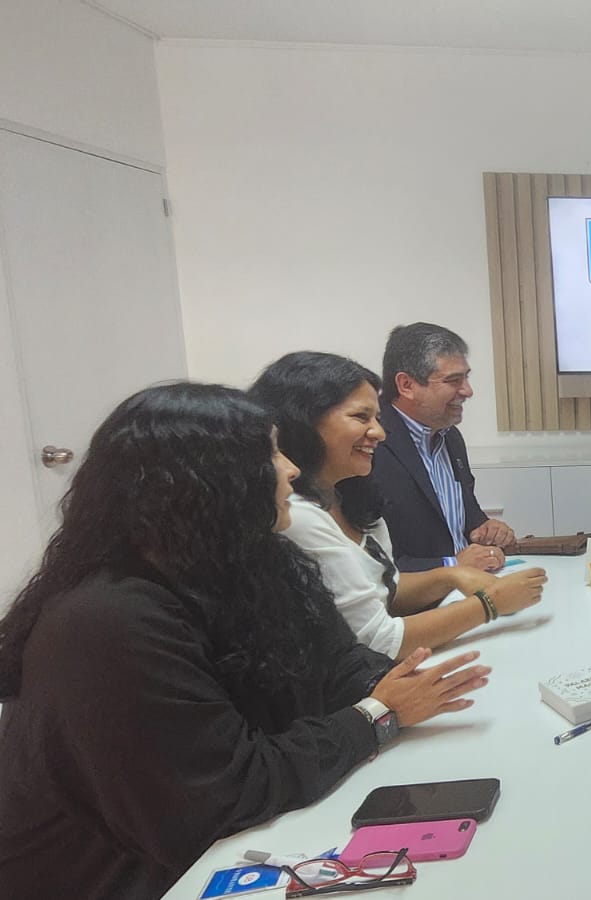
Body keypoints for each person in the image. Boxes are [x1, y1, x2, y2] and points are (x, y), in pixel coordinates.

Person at [0, 383, 491, 900]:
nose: (291, 469)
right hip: (117, 879)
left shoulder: (254, 560)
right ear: (205, 480)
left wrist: (393, 686)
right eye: (270, 454)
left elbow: (335, 666)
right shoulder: (107, 623)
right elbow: (226, 793)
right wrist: (376, 715)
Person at [250, 351, 547, 658]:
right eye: (360, 417)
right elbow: (379, 641)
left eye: (377, 419)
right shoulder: (296, 514)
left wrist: (451, 575)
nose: (379, 433)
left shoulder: (350, 495)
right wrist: (490, 604)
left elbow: (386, 587)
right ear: (304, 423)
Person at [370, 322, 516, 572]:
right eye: (453, 380)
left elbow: (467, 521)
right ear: (406, 385)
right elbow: (372, 564)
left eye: (466, 377)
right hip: (419, 595)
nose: (468, 391)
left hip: (471, 585)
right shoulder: (371, 445)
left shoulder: (450, 437)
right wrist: (451, 565)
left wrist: (487, 529)